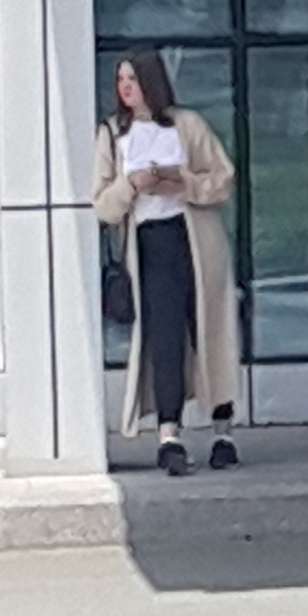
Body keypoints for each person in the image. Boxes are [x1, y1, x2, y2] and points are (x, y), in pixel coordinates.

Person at [91, 51, 246, 476]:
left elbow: (223, 178)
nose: (126, 87)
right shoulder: (112, 133)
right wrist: (132, 184)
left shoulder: (187, 124)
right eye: (121, 80)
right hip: (148, 245)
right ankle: (169, 435)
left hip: (194, 240)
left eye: (133, 78)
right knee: (164, 338)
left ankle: (223, 432)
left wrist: (180, 182)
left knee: (210, 332)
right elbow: (102, 205)